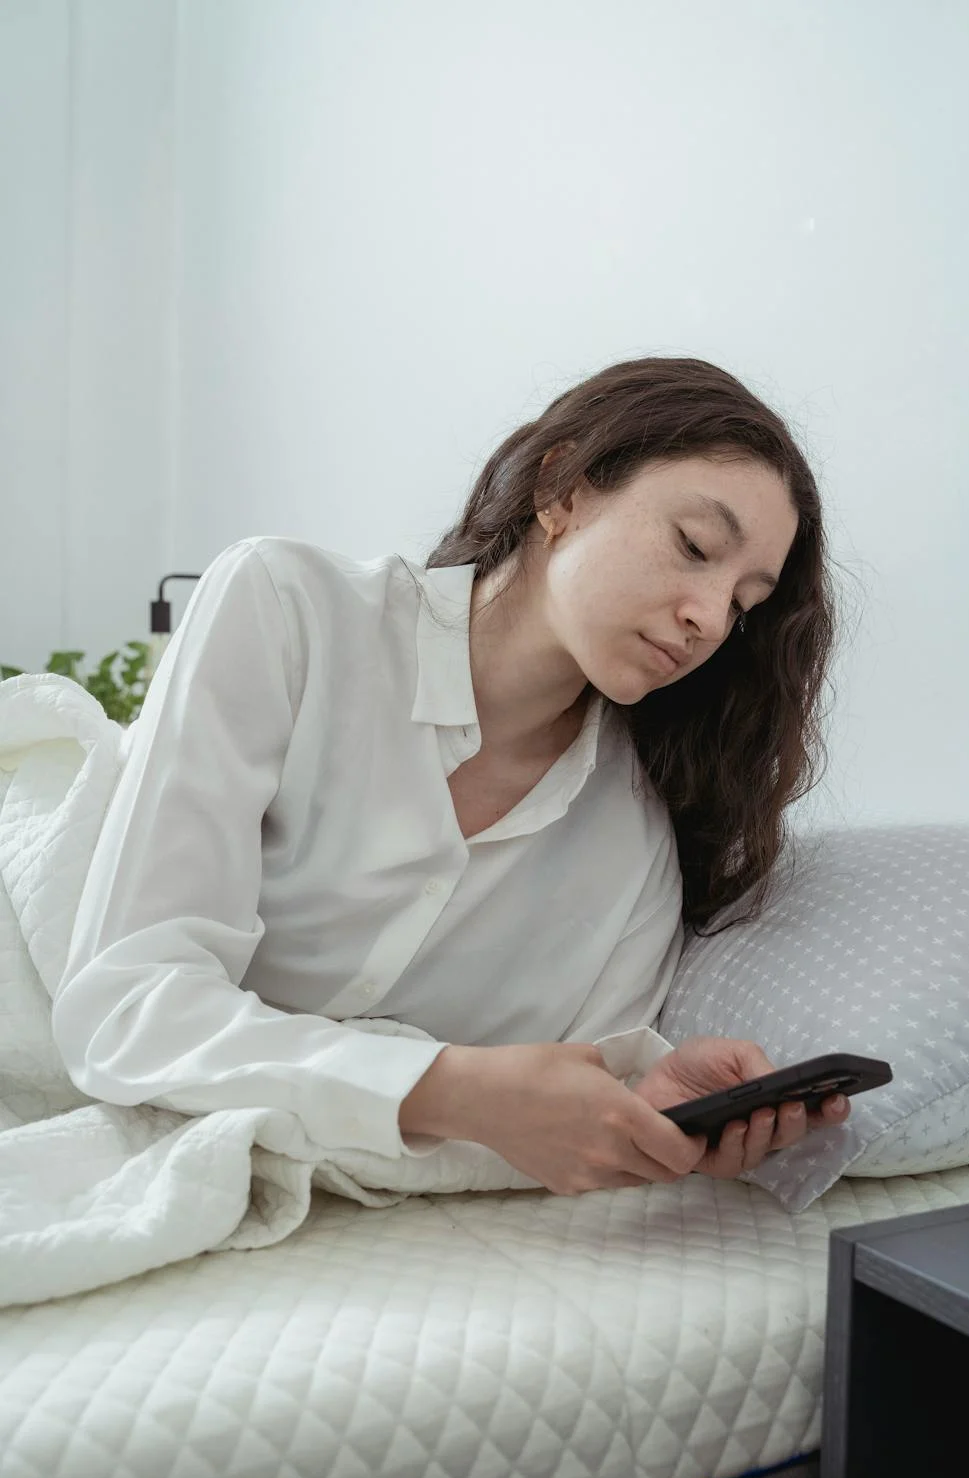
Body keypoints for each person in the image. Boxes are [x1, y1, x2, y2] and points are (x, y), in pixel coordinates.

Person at [52, 356, 850, 1198]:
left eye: (744, 604)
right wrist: (451, 1091)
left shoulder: (633, 843)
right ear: (563, 490)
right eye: (695, 547)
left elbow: (573, 1091)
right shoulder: (287, 611)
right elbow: (124, 1006)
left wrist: (642, 1110)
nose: (708, 617)